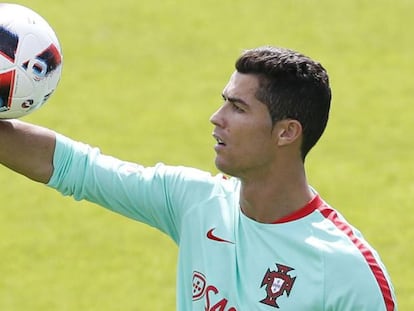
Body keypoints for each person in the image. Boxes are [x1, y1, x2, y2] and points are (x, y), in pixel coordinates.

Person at [0, 46, 397, 310]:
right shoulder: (195, 202)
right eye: (224, 100)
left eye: (238, 108)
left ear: (286, 132)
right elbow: (75, 168)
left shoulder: (347, 272)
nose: (217, 117)